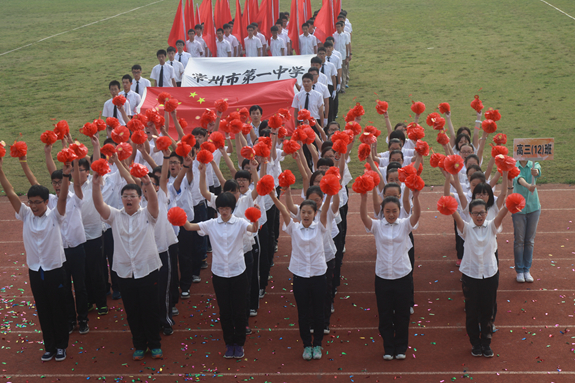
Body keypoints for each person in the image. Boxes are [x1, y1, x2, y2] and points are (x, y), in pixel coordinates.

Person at [0, 157, 71, 362]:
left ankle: (61, 346)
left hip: (55, 269)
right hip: (35, 270)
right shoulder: (25, 215)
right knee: (43, 309)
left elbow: (64, 198)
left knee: (58, 308)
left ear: (46, 202)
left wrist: (65, 175)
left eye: (37, 202)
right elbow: (11, 192)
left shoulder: (55, 216)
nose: (33, 206)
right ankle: (49, 346)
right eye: (30, 202)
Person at [92, 172, 164, 361]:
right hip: (125, 272)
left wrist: (148, 183)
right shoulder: (115, 216)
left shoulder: (149, 214)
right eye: (125, 196)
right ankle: (139, 345)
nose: (129, 199)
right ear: (121, 199)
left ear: (140, 198)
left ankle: (155, 344)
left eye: (133, 196)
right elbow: (99, 205)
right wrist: (95, 185)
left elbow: (155, 203)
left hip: (147, 269)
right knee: (132, 311)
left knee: (150, 309)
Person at [179, 192, 259, 359]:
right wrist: (177, 216)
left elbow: (253, 229)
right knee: (225, 311)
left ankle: (239, 343)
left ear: (232, 209)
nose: (224, 211)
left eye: (227, 208)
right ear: (217, 208)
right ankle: (229, 343)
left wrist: (255, 217)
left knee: (239, 310)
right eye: (221, 208)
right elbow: (189, 227)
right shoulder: (211, 224)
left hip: (238, 272)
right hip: (220, 273)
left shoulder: (240, 222)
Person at [360, 185, 421, 361]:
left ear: (399, 210)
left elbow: (416, 216)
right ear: (382, 212)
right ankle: (388, 347)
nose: (391, 214)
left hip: (402, 275)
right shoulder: (377, 226)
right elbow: (364, 217)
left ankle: (401, 347)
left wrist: (416, 198)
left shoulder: (404, 225)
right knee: (385, 314)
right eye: (387, 211)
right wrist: (364, 199)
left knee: (402, 314)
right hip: (383, 277)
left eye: (394, 211)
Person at [270, 189, 330, 360]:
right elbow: (283, 209)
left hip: (318, 275)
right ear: (299, 214)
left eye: (309, 212)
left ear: (314, 214)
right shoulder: (294, 228)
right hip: (300, 275)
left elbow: (325, 209)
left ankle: (317, 344)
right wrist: (273, 196)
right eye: (303, 212)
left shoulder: (320, 226)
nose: (305, 215)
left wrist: (330, 193)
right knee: (303, 313)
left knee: (319, 312)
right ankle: (306, 346)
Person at [451, 198, 509, 358]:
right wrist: (449, 203)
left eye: (482, 213)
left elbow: (504, 212)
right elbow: (454, 214)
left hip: (490, 274)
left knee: (488, 311)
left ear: (487, 213)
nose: (479, 216)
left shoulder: (492, 226)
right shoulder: (466, 228)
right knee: (471, 311)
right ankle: (475, 344)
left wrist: (511, 201)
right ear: (469, 214)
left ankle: (486, 343)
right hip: (470, 275)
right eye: (475, 213)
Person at [511, 160, 541, 283]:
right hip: (518, 208)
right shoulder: (513, 167)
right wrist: (528, 186)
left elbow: (538, 171)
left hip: (534, 207)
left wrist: (536, 172)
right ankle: (519, 270)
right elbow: (518, 178)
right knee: (519, 240)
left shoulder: (534, 164)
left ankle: (526, 269)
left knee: (529, 240)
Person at [333, 22, 351, 90]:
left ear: (342, 27)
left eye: (339, 27)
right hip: (336, 57)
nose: (338, 28)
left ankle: (343, 87)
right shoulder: (334, 35)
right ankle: (338, 87)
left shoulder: (345, 35)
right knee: (336, 73)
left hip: (343, 56)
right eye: (336, 27)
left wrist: (347, 56)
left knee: (343, 72)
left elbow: (347, 46)